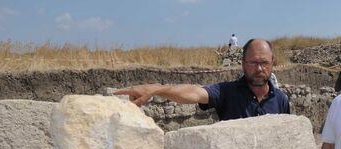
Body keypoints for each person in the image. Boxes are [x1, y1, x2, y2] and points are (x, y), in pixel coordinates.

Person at [115, 38, 290, 121]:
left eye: (264, 62)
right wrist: (157, 90)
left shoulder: (281, 100)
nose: (259, 69)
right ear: (243, 64)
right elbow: (194, 93)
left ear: (272, 63)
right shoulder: (227, 92)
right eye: (253, 62)